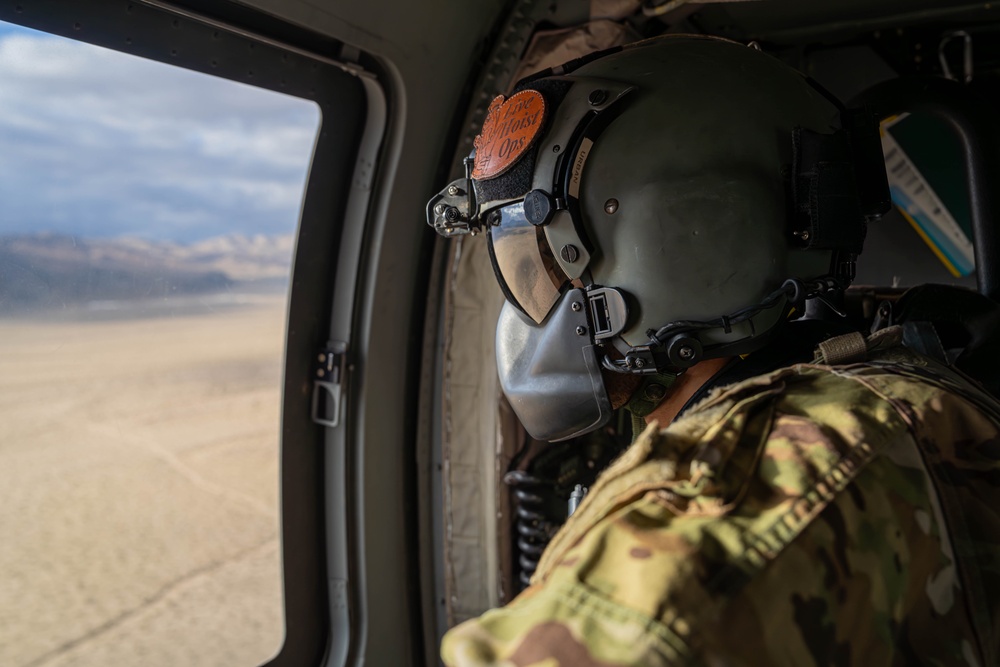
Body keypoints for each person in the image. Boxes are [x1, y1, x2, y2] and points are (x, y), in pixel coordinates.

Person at [426, 35, 1000, 666]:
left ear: (678, 242)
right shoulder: (894, 380)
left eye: (538, 262)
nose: (526, 306)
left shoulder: (727, 506)